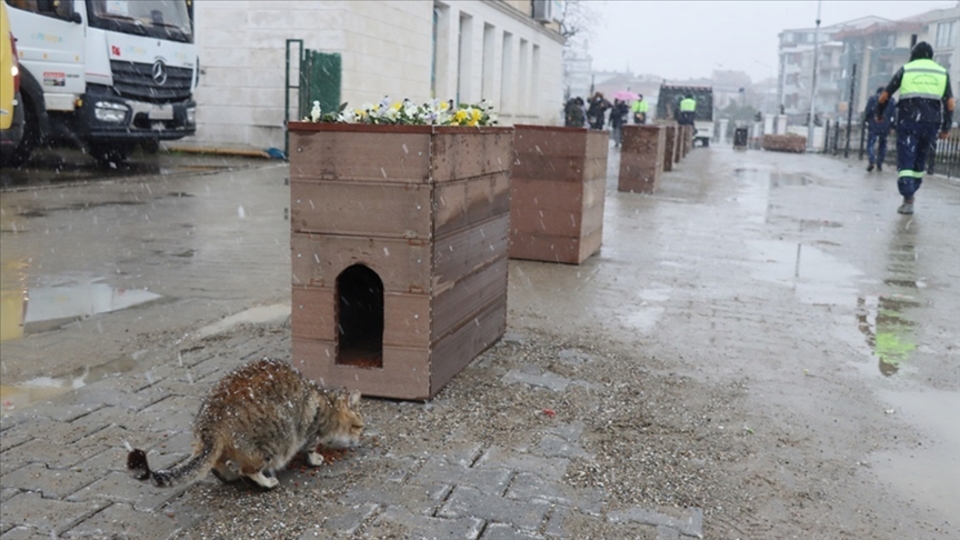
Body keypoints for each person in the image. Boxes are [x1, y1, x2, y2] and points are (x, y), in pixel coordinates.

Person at [876, 41, 954, 215]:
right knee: (921, 156)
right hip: (931, 123)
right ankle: (913, 188)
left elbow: (884, 96)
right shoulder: (942, 72)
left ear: (914, 54)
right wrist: (946, 128)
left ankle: (908, 196)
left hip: (908, 121)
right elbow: (949, 103)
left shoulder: (906, 69)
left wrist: (879, 113)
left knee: (906, 157)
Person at [863, 86, 896, 172]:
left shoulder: (872, 99)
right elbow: (894, 114)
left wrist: (867, 119)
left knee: (871, 143)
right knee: (883, 145)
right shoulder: (891, 100)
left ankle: (872, 160)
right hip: (885, 125)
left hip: (874, 124)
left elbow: (868, 111)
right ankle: (879, 163)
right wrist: (892, 126)